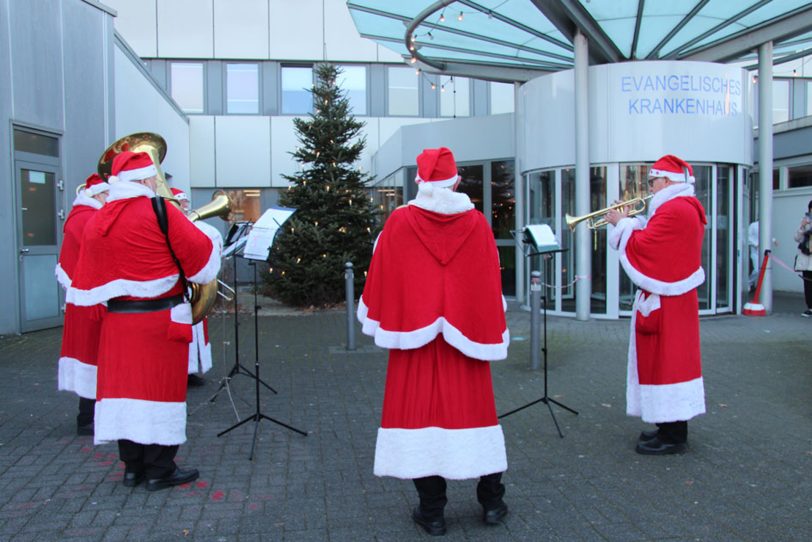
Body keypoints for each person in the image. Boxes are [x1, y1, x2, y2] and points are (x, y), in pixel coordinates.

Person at [357, 147, 510, 536]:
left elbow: (383, 275)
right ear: (456, 181)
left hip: (415, 340)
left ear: (419, 182)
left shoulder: (399, 222)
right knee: (476, 416)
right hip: (467, 341)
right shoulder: (477, 224)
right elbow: (490, 280)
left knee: (417, 420)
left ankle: (433, 512)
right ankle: (492, 503)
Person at [68, 151, 222, 490]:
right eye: (155, 177)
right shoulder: (159, 209)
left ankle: (132, 468)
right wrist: (210, 238)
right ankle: (160, 469)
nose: (158, 182)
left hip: (117, 323)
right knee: (160, 391)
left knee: (124, 393)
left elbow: (85, 276)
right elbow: (201, 262)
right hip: (160, 320)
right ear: (146, 179)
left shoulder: (100, 217)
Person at [605, 154, 706, 455]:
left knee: (669, 363)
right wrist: (630, 222)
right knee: (663, 363)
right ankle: (666, 425)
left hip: (671, 301)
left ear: (667, 181)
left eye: (652, 181)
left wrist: (623, 223)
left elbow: (649, 247)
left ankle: (675, 436)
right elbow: (651, 235)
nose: (649, 187)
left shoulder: (676, 209)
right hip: (670, 299)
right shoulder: (676, 207)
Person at [55, 173, 110, 435]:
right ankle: (88, 417)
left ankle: (89, 415)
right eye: (107, 194)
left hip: (84, 298)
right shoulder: (89, 219)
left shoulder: (80, 217)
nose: (110, 198)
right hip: (92, 300)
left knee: (91, 356)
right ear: (97, 195)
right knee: (94, 356)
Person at [170, 187, 212, 386]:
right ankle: (182, 371)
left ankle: (192, 369)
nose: (186, 205)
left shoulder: (190, 224)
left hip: (191, 291)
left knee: (195, 332)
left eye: (186, 201)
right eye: (182, 202)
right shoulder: (173, 225)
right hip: (179, 291)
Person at [793, 199, 812, 317]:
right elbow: (796, 238)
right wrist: (802, 227)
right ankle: (810, 307)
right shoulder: (804, 221)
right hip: (806, 258)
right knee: (808, 284)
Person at [748, 220, 759, 290]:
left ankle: (756, 285)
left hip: (763, 252)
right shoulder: (753, 225)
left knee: (763, 270)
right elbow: (748, 237)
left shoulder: (765, 225)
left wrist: (774, 240)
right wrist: (755, 244)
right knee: (757, 269)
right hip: (755, 251)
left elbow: (767, 236)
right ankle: (748, 282)